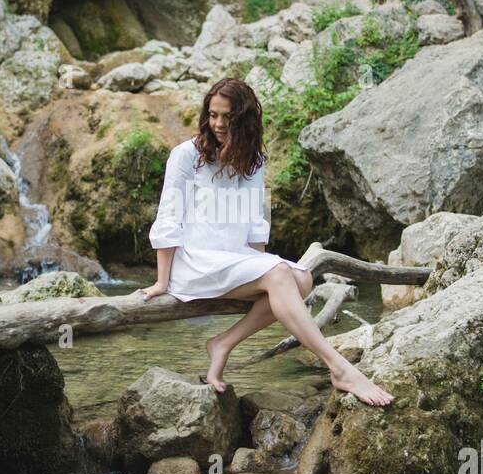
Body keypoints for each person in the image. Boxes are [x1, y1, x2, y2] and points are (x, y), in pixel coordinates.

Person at [137, 77, 394, 407]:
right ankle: (339, 367)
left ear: (243, 119)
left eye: (227, 117)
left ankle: (224, 343)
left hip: (233, 257)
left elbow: (255, 219)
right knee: (280, 276)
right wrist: (162, 281)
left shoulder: (253, 159)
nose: (217, 123)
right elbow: (168, 216)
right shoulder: (186, 155)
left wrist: (258, 266)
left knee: (300, 279)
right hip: (193, 261)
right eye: (212, 115)